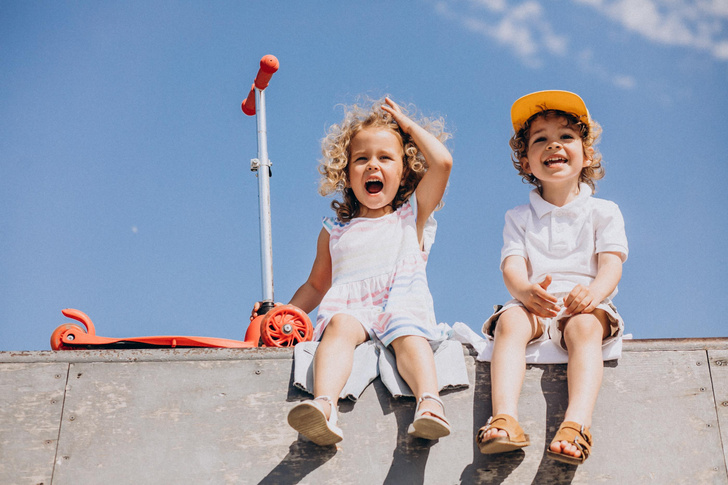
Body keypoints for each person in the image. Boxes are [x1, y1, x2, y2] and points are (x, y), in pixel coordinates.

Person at [257, 97, 453, 446]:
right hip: (352, 309)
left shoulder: (412, 216)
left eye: (385, 158)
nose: (372, 166)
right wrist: (282, 316)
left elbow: (442, 162)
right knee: (338, 325)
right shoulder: (334, 230)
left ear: (406, 169)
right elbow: (316, 285)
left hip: (400, 301)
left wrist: (407, 127)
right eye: (361, 159)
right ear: (346, 172)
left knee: (407, 330)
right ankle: (324, 405)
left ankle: (430, 403)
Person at [476, 91, 628, 465]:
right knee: (509, 320)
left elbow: (611, 264)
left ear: (586, 154)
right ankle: (505, 417)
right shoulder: (519, 216)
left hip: (585, 303)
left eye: (565, 136)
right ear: (526, 162)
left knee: (583, 329)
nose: (553, 144)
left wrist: (593, 293)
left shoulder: (603, 211)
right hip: (535, 303)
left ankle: (576, 423)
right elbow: (511, 266)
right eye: (540, 139)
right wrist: (524, 291)